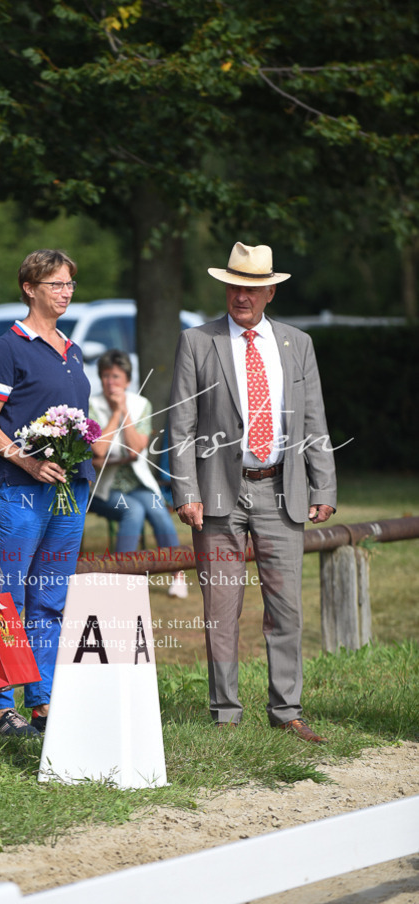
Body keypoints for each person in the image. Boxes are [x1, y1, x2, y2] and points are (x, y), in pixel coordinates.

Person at [168, 242, 336, 741]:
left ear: (270, 293)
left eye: (252, 288)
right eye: (234, 286)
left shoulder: (297, 343)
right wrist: (186, 490)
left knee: (286, 608)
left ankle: (287, 711)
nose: (242, 296)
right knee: (221, 609)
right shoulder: (197, 341)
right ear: (225, 288)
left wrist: (323, 484)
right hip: (217, 492)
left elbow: (314, 419)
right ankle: (226, 714)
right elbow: (180, 424)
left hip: (282, 489)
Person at [0, 249, 94, 737]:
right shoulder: (7, 347)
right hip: (19, 491)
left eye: (69, 284)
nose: (65, 293)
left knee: (50, 600)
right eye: (55, 285)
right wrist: (27, 461)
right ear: (29, 288)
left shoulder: (73, 349)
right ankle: (1, 708)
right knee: (8, 598)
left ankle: (42, 702)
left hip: (69, 492)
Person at [88, 349, 188, 597]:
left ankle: (178, 575)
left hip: (137, 483)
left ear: (128, 380)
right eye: (105, 376)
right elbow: (98, 449)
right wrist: (114, 414)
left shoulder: (141, 404)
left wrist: (125, 411)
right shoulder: (92, 405)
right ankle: (124, 579)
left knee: (158, 509)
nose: (110, 382)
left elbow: (135, 448)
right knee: (133, 510)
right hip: (103, 487)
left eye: (116, 376)